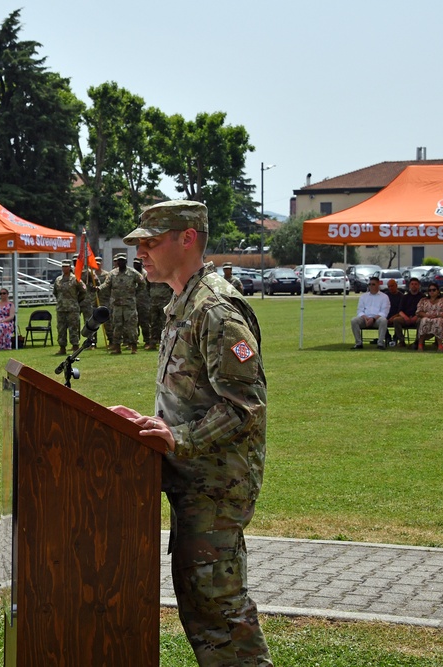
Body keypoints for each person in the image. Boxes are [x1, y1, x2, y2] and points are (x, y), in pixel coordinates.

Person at [110, 200, 273, 666]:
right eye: (139, 243)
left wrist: (179, 439)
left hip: (217, 484)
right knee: (205, 610)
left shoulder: (216, 309)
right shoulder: (183, 302)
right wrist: (153, 424)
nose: (141, 252)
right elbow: (196, 399)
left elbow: (245, 407)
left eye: (151, 241)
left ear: (188, 238)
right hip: (194, 480)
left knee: (219, 614)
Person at [101, 252, 144, 354]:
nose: (120, 262)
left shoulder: (133, 273)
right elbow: (106, 284)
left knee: (131, 326)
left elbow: (142, 283)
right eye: (118, 261)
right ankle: (117, 347)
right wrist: (98, 288)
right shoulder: (112, 274)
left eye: (122, 261)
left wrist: (136, 293)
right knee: (117, 326)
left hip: (129, 304)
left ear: (125, 262)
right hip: (116, 305)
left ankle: (133, 347)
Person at [53, 259, 86, 355]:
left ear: (70, 267)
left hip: (72, 308)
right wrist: (60, 301)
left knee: (73, 328)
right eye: (63, 266)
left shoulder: (76, 278)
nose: (64, 268)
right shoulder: (58, 279)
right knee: (61, 328)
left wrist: (76, 300)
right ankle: (62, 348)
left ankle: (75, 347)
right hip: (61, 308)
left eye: (66, 266)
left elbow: (84, 291)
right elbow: (55, 292)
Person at [351, 276, 390, 349]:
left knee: (383, 320)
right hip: (365, 319)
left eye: (373, 284)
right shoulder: (363, 296)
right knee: (354, 320)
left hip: (377, 319)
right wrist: (365, 318)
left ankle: (380, 343)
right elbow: (360, 310)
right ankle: (358, 343)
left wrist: (373, 319)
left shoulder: (384, 297)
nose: (371, 286)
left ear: (378, 284)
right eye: (370, 284)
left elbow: (384, 312)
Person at [415, 283, 443, 351]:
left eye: (434, 290)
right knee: (424, 320)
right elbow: (419, 312)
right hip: (427, 317)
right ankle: (420, 345)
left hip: (441, 318)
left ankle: (440, 345)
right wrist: (427, 315)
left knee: (437, 321)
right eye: (430, 290)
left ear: (438, 291)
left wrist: (438, 315)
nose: (431, 292)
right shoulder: (423, 300)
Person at [390, 277, 422, 346]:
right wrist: (405, 317)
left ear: (419, 286)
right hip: (405, 318)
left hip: (417, 317)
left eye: (416, 284)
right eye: (412, 284)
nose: (414, 286)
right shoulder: (405, 297)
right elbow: (400, 310)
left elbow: (424, 310)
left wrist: (415, 317)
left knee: (421, 321)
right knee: (396, 320)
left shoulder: (423, 297)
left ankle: (418, 341)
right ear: (409, 286)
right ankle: (401, 341)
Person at [135, 257, 154, 350]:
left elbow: (149, 287)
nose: (136, 265)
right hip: (133, 301)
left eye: (138, 263)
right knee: (134, 322)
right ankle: (134, 340)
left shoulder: (145, 274)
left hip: (144, 301)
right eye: (134, 263)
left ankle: (147, 340)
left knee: (145, 322)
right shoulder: (133, 274)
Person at [148, 280, 174, 349]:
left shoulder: (165, 275)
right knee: (153, 322)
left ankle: (165, 343)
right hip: (153, 302)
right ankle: (153, 342)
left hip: (164, 301)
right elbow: (147, 287)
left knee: (165, 322)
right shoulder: (152, 276)